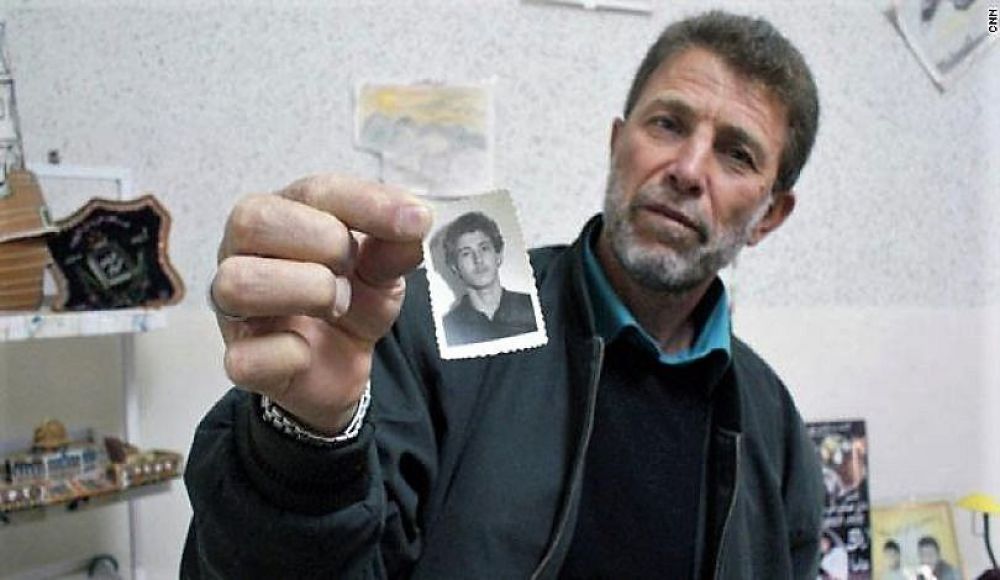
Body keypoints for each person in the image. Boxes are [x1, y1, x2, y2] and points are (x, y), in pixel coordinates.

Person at [185, 9, 824, 579]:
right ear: (616, 143)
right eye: (667, 124)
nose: (687, 169)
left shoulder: (771, 420)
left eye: (736, 155)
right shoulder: (454, 307)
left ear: (769, 216)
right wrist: (301, 443)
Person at [440, 210, 537, 345]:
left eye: (484, 248)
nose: (478, 259)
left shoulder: (533, 307)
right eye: (466, 253)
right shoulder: (448, 327)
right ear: (454, 267)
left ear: (498, 255)